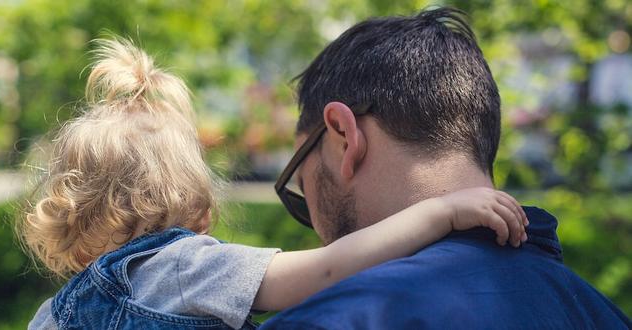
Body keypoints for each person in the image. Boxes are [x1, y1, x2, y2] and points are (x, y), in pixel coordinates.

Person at [22, 38, 528, 330]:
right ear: (195, 205)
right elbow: (327, 270)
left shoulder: (53, 315)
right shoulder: (191, 267)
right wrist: (441, 213)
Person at [262, 7, 631, 330]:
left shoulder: (332, 320)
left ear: (344, 135)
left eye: (301, 187)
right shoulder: (600, 313)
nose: (315, 227)